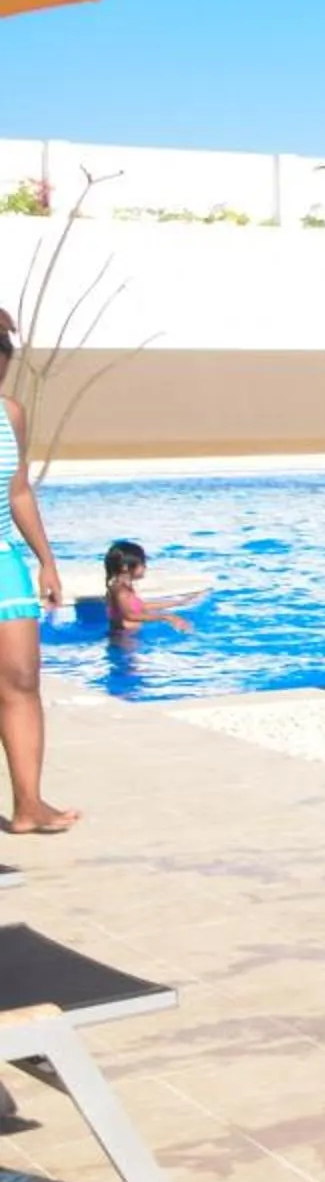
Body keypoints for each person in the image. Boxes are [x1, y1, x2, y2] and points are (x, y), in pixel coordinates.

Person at [0, 310, 77, 835]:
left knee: (22, 679)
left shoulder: (10, 414)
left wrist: (46, 560)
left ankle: (29, 804)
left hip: (2, 558)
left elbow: (18, 489)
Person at [103, 541, 195, 638]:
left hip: (130, 634)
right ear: (125, 568)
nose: (145, 567)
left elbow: (141, 606)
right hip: (124, 637)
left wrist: (178, 602)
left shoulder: (124, 587)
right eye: (142, 564)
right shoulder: (121, 591)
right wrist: (166, 617)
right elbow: (130, 615)